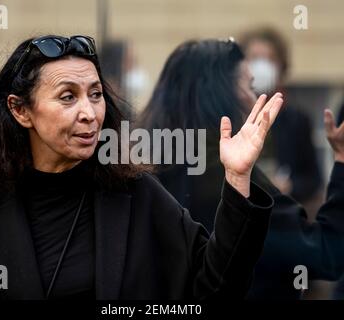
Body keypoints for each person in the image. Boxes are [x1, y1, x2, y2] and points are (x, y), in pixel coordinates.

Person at [0, 35, 282, 299]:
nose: (89, 112)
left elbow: (214, 289)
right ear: (20, 110)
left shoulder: (137, 194)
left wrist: (237, 177)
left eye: (95, 94)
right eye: (67, 97)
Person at [137, 39, 344, 300]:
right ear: (222, 94)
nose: (256, 97)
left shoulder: (142, 166)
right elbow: (326, 253)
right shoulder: (233, 177)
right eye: (249, 84)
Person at [239, 27, 323, 209]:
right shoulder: (230, 117)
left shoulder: (297, 120)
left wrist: (291, 185)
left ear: (281, 67)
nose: (262, 66)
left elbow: (313, 179)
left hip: (283, 215)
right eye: (255, 58)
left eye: (269, 59)